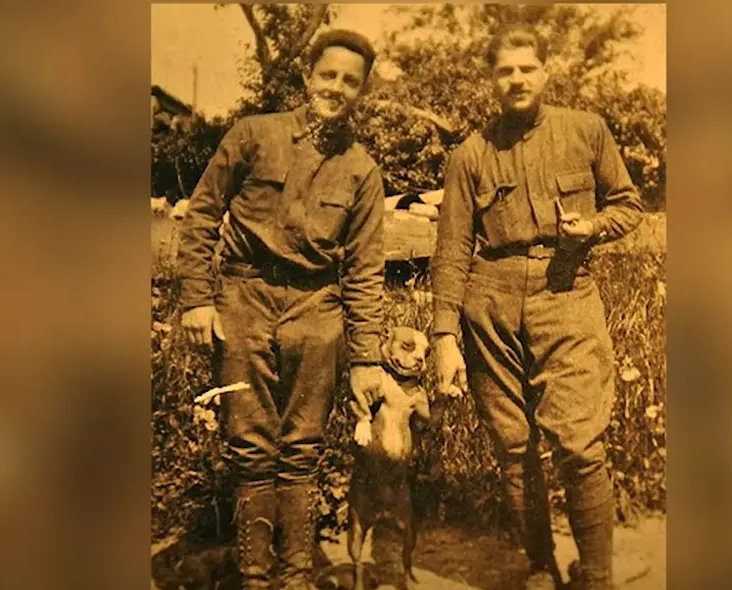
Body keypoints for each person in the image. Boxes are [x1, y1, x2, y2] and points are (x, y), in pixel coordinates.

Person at [431, 24, 644, 590]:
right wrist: (444, 335)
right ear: (492, 79)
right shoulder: (470, 156)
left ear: (546, 72)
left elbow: (628, 205)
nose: (517, 78)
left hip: (566, 291)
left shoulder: (586, 131)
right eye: (505, 70)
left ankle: (596, 575)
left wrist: (593, 226)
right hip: (490, 301)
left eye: (527, 67)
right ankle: (540, 567)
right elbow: (452, 248)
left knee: (578, 443)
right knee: (514, 446)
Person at [176, 29, 386, 590]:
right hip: (244, 299)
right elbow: (199, 217)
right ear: (306, 77)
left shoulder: (362, 169)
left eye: (350, 81)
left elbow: (365, 270)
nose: (336, 88)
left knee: (301, 450)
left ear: (361, 91)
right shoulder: (253, 134)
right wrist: (197, 299)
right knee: (250, 448)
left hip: (317, 311)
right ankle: (254, 578)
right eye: (328, 75)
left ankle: (295, 579)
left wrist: (366, 358)